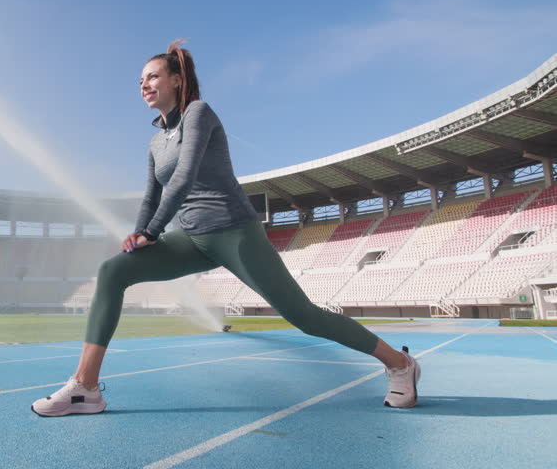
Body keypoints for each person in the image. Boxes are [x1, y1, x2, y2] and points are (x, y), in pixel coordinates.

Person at [31, 40, 420, 417]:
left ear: (177, 80)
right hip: (189, 238)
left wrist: (151, 231)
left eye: (152, 77)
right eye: (140, 82)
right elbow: (151, 196)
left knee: (304, 316)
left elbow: (183, 177)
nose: (144, 86)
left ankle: (399, 363)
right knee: (113, 270)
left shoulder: (199, 112)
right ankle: (86, 387)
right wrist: (139, 233)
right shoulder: (154, 142)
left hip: (234, 231)